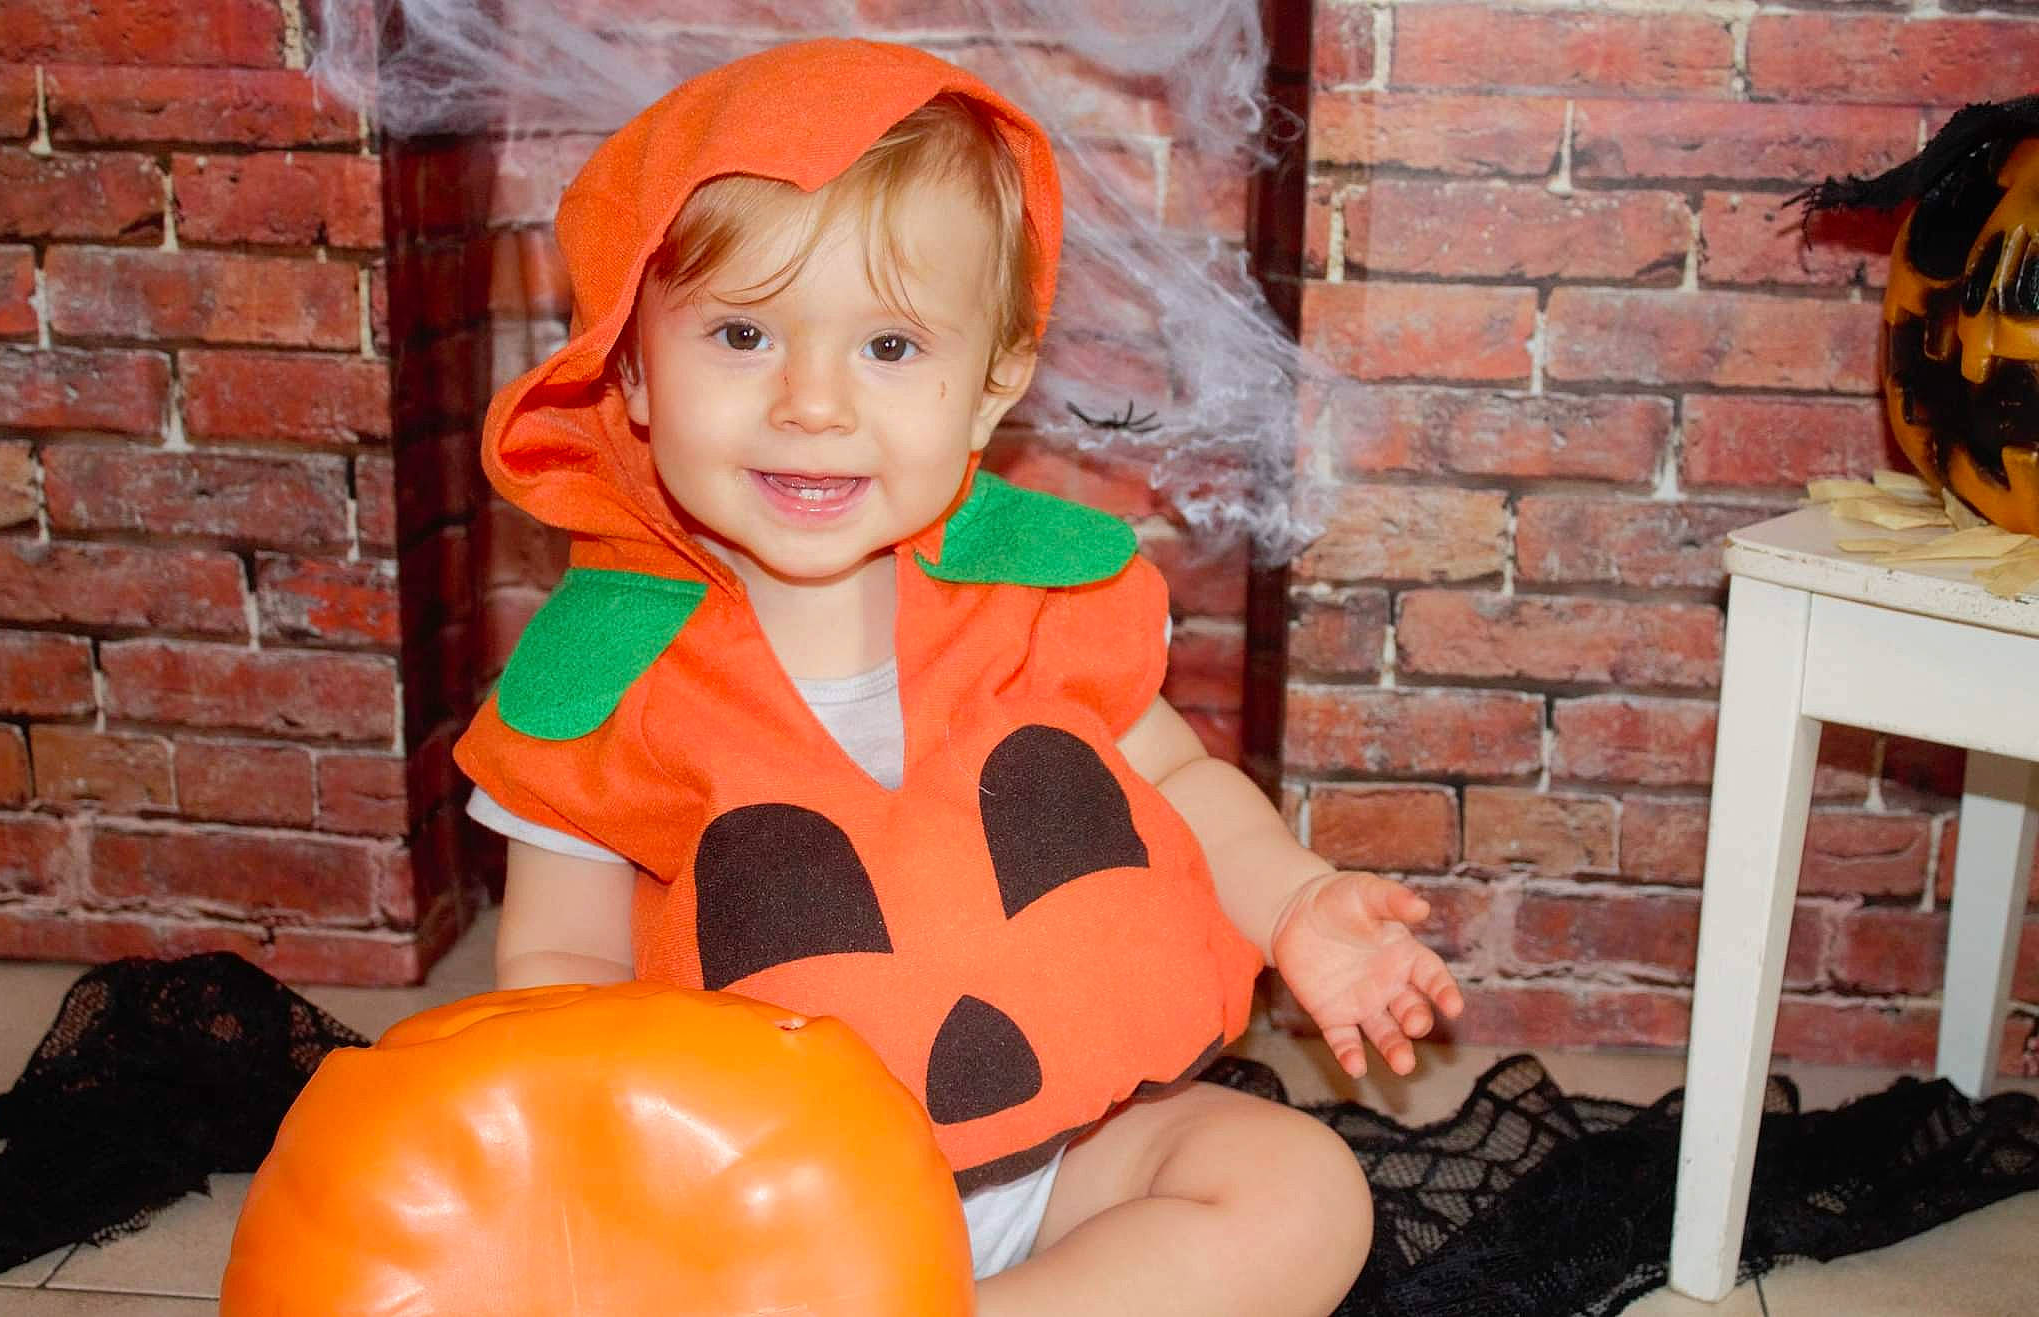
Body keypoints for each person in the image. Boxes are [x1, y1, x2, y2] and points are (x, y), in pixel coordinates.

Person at [453, 37, 1462, 1316]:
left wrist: (1293, 902)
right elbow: (559, 963)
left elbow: (1181, 788)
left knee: (1298, 1187)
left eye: (887, 347)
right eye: (744, 335)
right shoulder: (603, 672)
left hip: (1062, 1149)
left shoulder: (1028, 599)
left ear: (990, 389)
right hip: (771, 1193)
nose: (812, 403)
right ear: (635, 371)